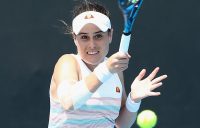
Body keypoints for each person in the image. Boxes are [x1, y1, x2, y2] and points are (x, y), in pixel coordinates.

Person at [48, 1, 167, 128]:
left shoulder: (114, 71)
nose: (92, 44)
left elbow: (121, 123)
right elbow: (68, 101)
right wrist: (106, 69)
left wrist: (133, 100)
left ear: (110, 35)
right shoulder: (68, 62)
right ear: (74, 38)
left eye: (98, 36)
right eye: (84, 37)